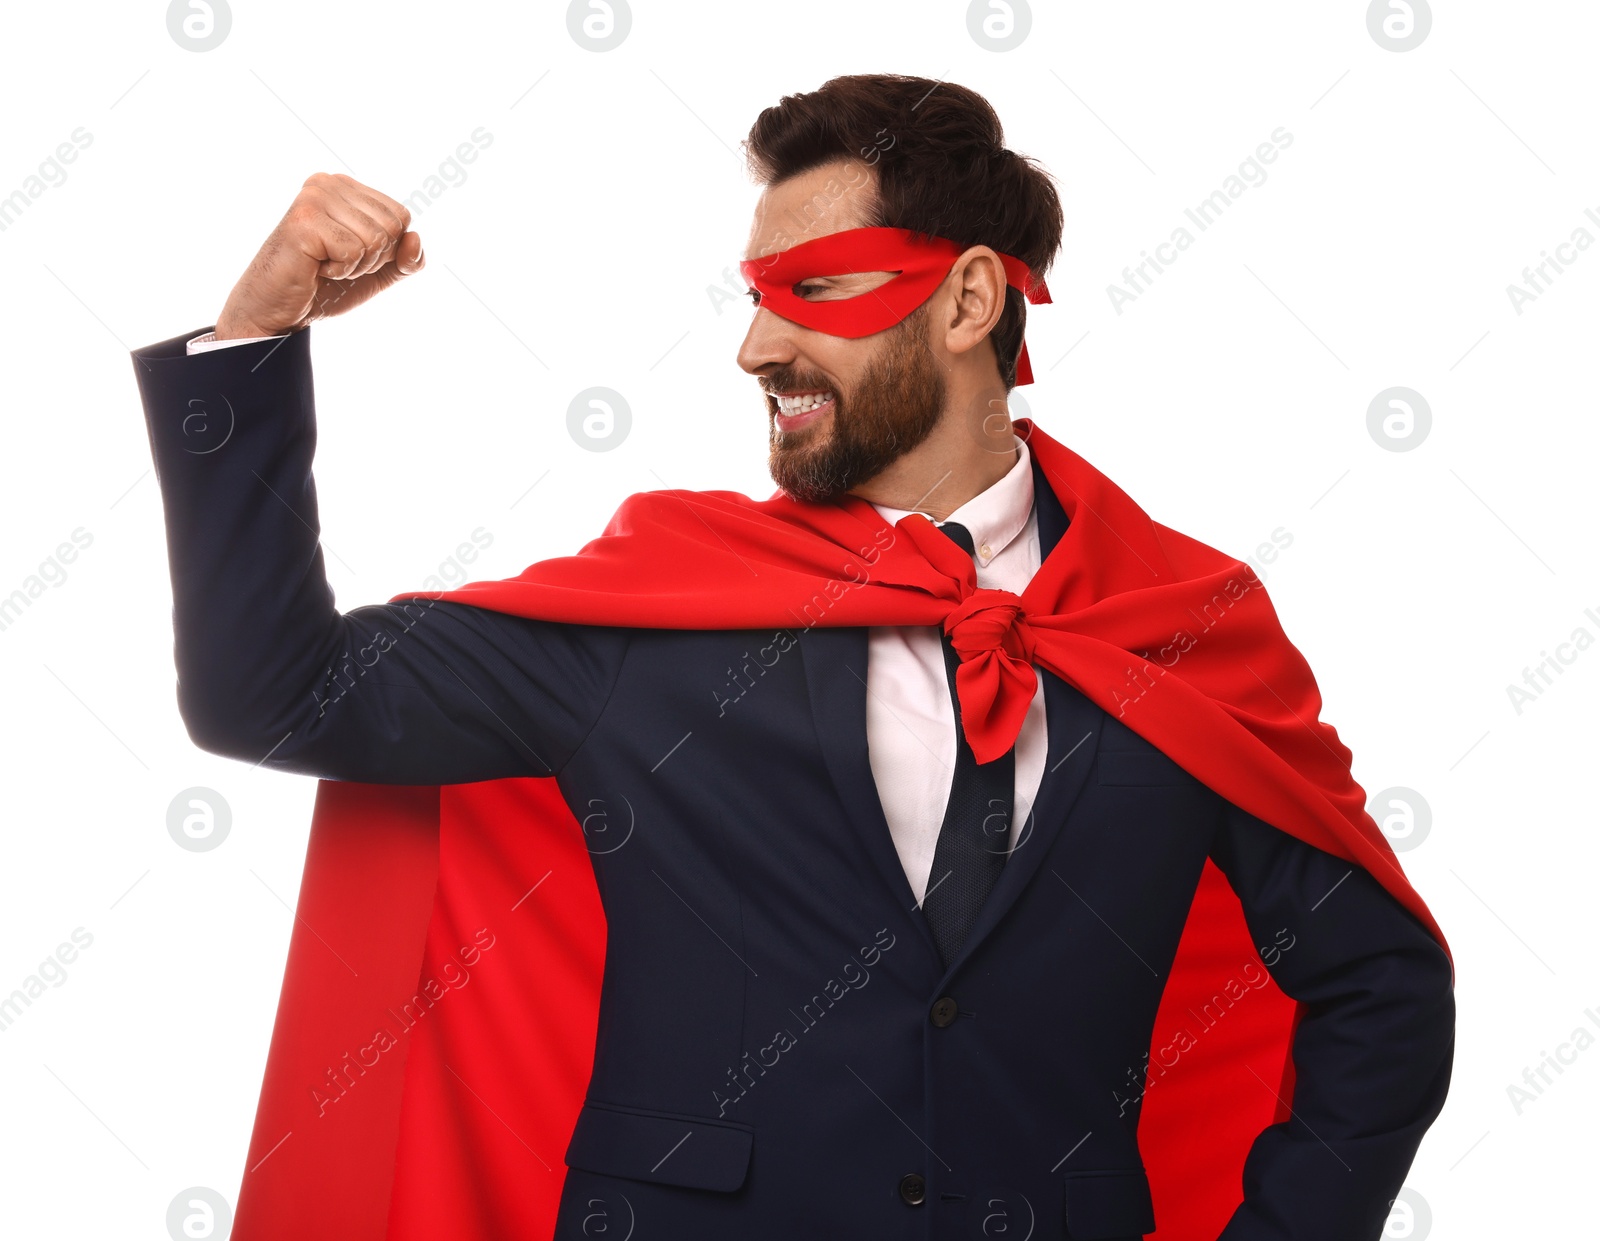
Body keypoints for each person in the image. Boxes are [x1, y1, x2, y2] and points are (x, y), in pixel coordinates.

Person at [132, 75, 1453, 1241]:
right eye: (755, 298)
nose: (757, 345)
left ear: (970, 298)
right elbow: (277, 690)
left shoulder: (1183, 624)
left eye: (811, 291)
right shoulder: (653, 611)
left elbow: (1379, 983)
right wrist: (257, 330)